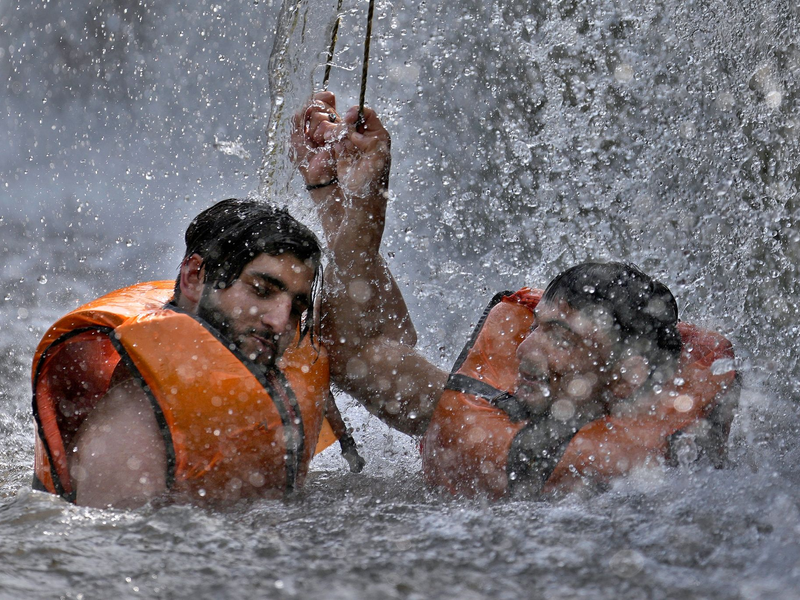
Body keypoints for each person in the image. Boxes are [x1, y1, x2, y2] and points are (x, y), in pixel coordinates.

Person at [291, 92, 740, 498]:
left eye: (563, 338)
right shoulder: (492, 403)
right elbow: (356, 348)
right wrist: (349, 201)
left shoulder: (643, 469)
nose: (527, 348)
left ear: (630, 376)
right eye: (539, 326)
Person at [32, 199, 358, 508]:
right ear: (194, 277)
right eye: (261, 290)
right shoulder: (134, 422)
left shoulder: (261, 378)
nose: (278, 322)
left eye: (295, 309)